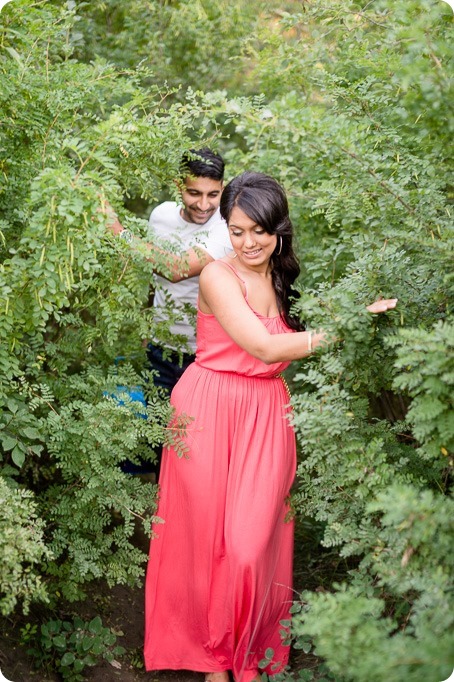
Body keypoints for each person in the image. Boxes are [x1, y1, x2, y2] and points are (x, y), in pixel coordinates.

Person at [143, 171, 397, 682]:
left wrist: (351, 314)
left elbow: (281, 346)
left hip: (265, 415)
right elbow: (261, 347)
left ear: (278, 228)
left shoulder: (281, 278)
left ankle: (245, 648)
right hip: (208, 409)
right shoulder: (217, 274)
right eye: (236, 230)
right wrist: (345, 326)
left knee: (248, 544)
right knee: (204, 539)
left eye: (259, 230)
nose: (248, 242)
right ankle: (217, 659)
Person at [107, 148, 231, 477]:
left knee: (191, 452)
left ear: (222, 189)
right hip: (160, 350)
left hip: (204, 358)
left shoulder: (227, 226)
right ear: (178, 185)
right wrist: (149, 323)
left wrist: (117, 231)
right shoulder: (160, 215)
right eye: (194, 193)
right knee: (150, 443)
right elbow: (154, 274)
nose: (204, 204)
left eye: (212, 194)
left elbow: (175, 268)